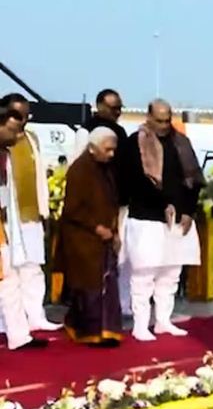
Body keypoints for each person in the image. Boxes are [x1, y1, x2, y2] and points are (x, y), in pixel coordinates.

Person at [121, 99, 204, 341]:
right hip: (146, 217)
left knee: (171, 272)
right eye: (159, 120)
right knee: (144, 274)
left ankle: (163, 321)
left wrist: (188, 211)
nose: (164, 125)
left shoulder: (181, 142)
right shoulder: (135, 143)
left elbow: (194, 181)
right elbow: (133, 182)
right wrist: (162, 203)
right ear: (148, 117)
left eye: (168, 120)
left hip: (178, 219)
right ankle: (140, 324)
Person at [54, 127, 122, 346]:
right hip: (83, 238)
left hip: (104, 236)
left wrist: (114, 231)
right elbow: (72, 210)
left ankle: (107, 332)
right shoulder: (79, 170)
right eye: (107, 149)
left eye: (113, 150)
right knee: (88, 288)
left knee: (107, 286)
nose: (111, 154)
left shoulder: (106, 169)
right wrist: (97, 227)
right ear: (92, 148)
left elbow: (111, 202)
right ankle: (87, 332)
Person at [0, 94, 61, 333]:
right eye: (18, 115)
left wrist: (44, 210)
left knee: (33, 266)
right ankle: (8, 322)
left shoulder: (31, 138)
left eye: (26, 115)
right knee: (9, 271)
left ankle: (36, 316)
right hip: (8, 215)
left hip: (30, 213)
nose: (23, 120)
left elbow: (39, 178)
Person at [73, 89, 132, 317]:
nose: (117, 112)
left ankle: (122, 302)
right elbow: (78, 167)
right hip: (95, 205)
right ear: (100, 106)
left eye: (119, 108)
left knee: (122, 255)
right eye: (113, 108)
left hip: (120, 201)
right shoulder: (86, 131)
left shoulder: (121, 132)